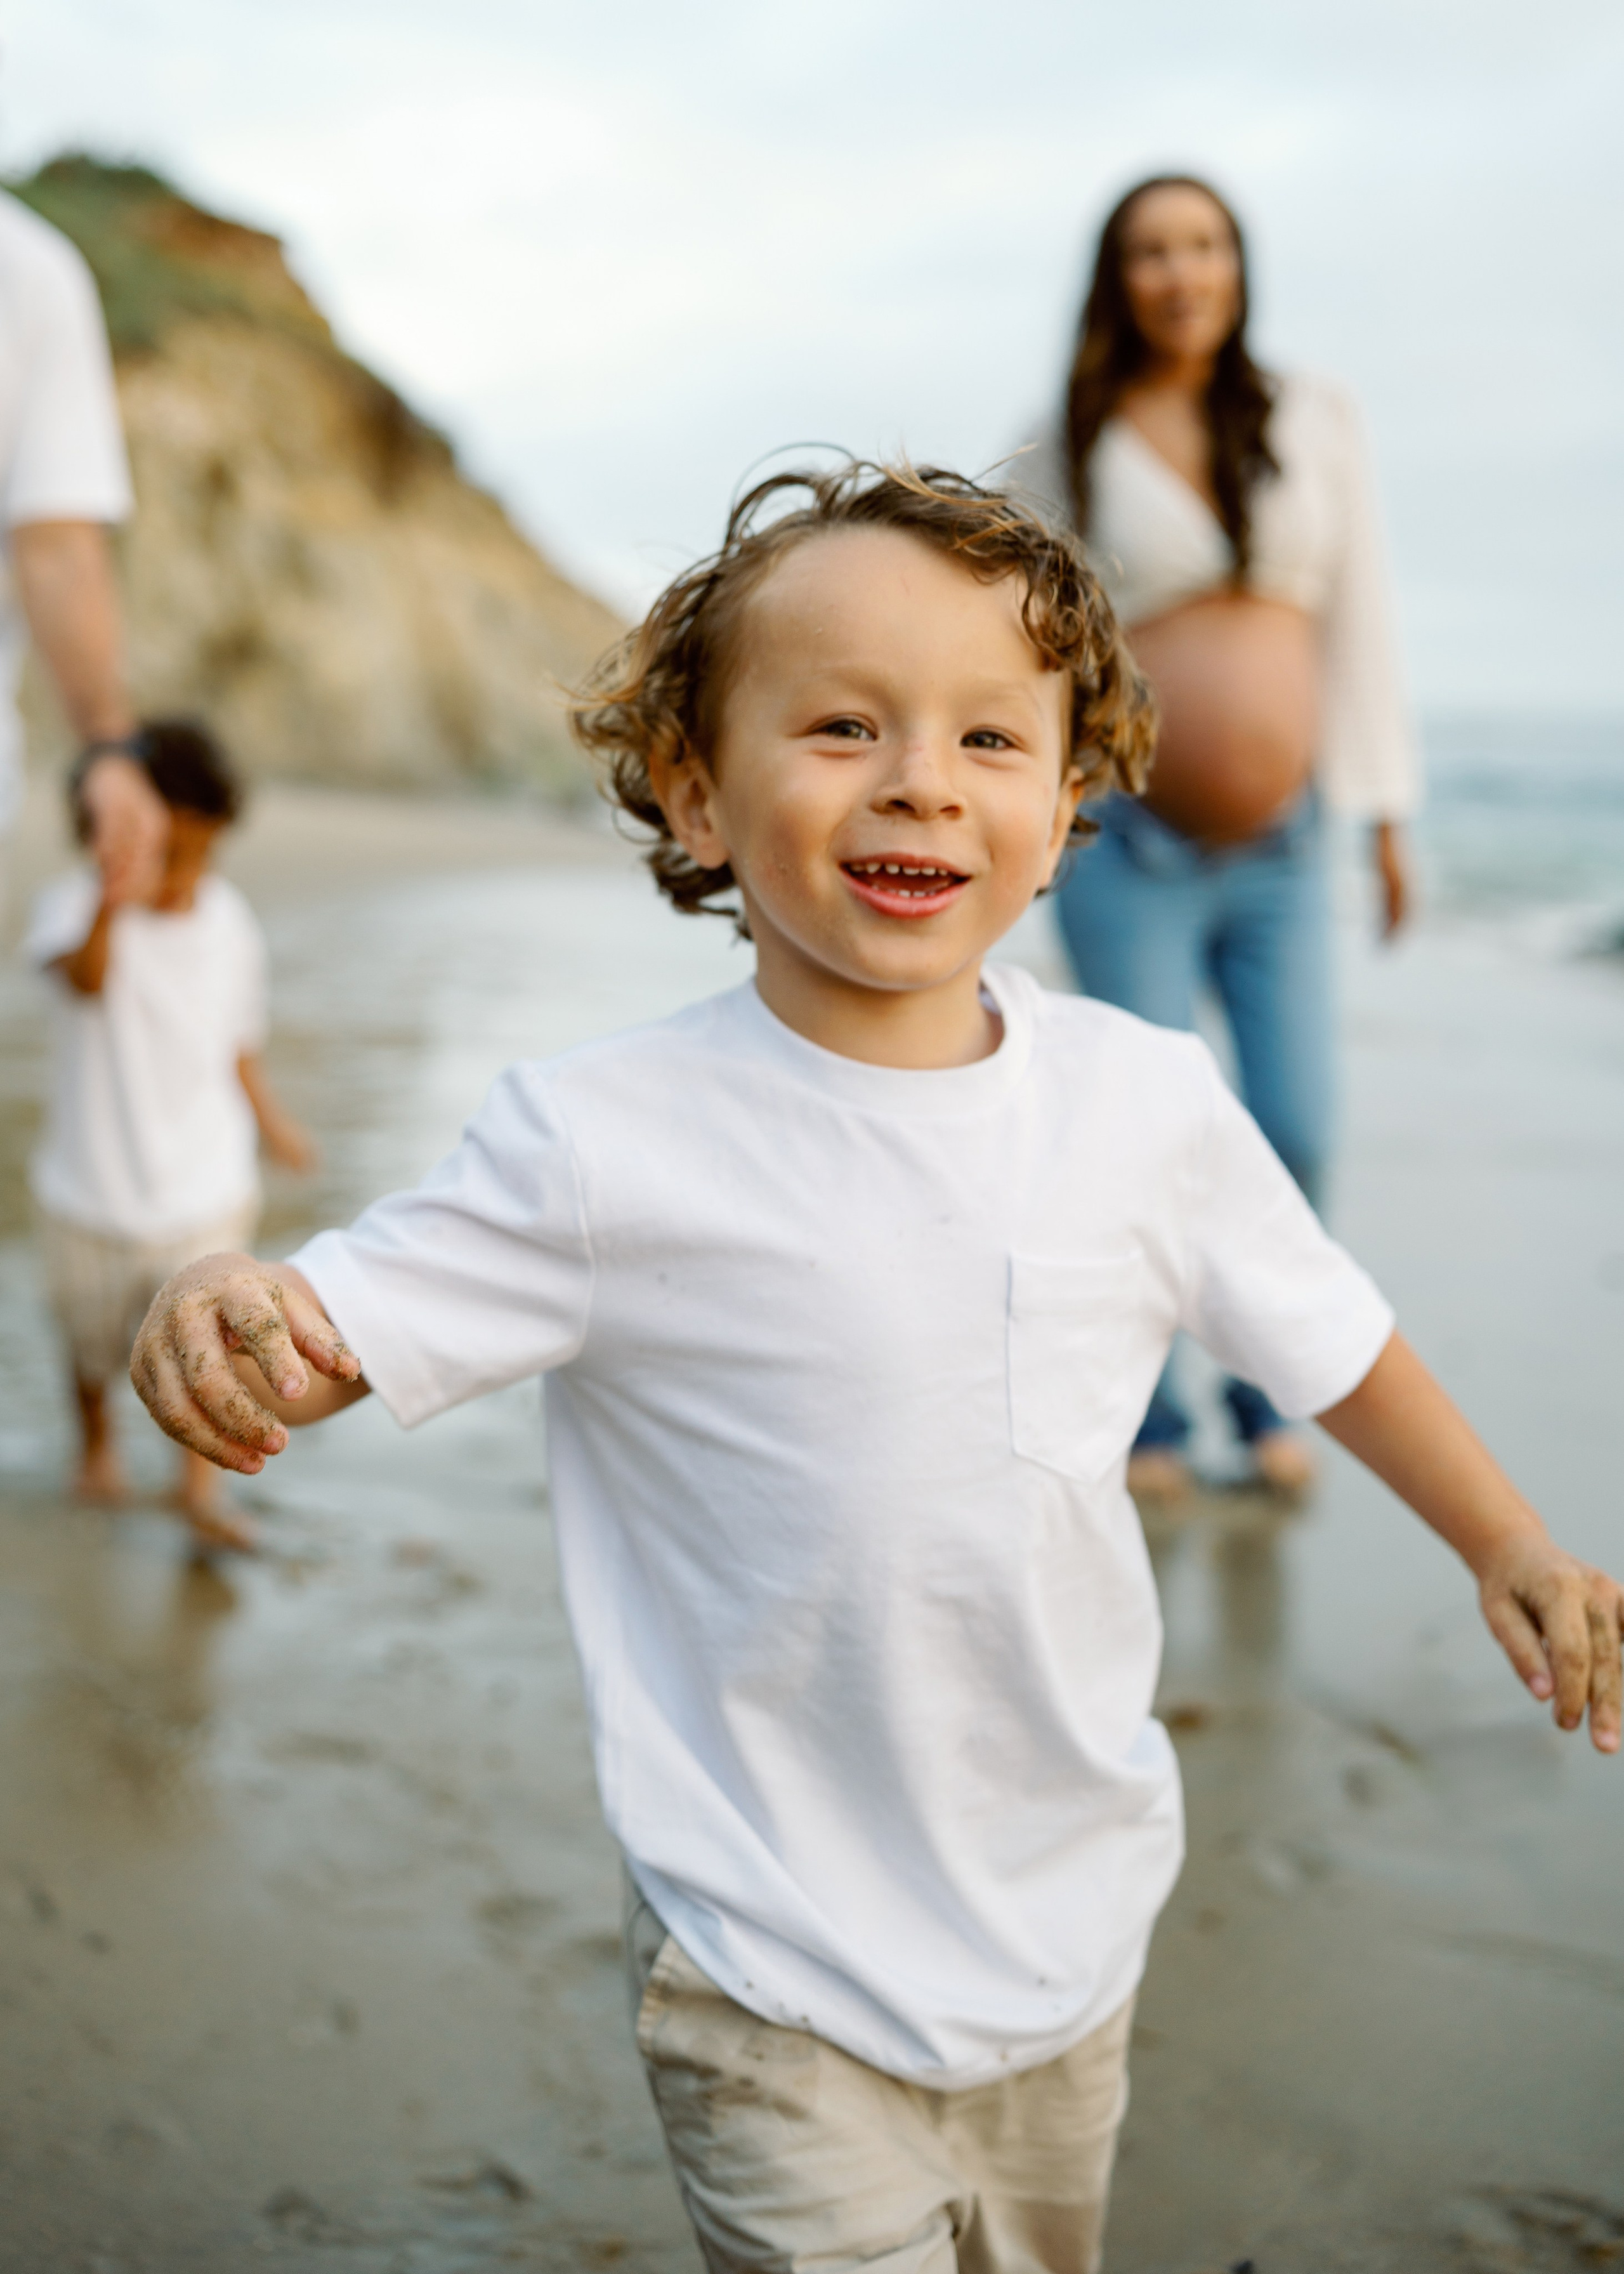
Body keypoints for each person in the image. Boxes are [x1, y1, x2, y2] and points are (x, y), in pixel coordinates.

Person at [128, 464, 1619, 2274]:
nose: (920, 776)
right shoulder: (603, 1139)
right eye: (842, 725)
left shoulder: (1141, 1105)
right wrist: (229, 1295)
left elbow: (1332, 1336)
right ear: (695, 787)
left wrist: (1508, 1542)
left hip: (1070, 1921)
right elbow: (344, 1328)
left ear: (1069, 803)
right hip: (768, 1961)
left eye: (992, 738)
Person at [1013, 174, 1418, 1500]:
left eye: (1201, 247)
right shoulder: (1065, 442)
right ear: (1114, 278)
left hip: (1288, 849)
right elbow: (1011, 633)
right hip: (1126, 844)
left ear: (1234, 268)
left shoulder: (1313, 417)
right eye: (1149, 252)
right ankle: (1149, 1422)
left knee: (1293, 1127)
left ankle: (1263, 1392)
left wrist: (1381, 819)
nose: (1178, 274)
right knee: (1134, 1139)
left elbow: (1356, 615)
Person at [27, 720, 313, 1551]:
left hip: (203, 1182)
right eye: (180, 844)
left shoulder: (230, 923)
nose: (197, 866)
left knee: (212, 1344)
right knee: (86, 1340)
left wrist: (273, 1124)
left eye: (206, 848)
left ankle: (198, 1488)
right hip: (89, 1183)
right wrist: (111, 903)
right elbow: (84, 982)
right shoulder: (74, 909)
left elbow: (237, 1048)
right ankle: (98, 1455)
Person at [0, 185, 169, 919]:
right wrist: (109, 748)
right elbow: (55, 545)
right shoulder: (26, 269)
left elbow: (57, 548)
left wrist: (110, 747)